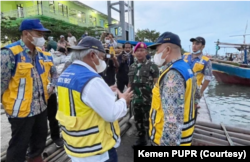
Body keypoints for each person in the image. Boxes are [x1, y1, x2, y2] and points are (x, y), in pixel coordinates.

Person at [56, 36, 133, 162]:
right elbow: (111, 114)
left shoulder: (66, 74)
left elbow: (80, 102)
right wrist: (124, 100)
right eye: (101, 57)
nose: (102, 62)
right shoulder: (91, 80)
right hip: (96, 150)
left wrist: (104, 91)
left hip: (76, 146)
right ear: (92, 55)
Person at [0, 18, 57, 162]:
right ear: (26, 34)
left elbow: (54, 72)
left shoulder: (42, 54)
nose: (42, 38)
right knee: (19, 146)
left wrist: (52, 86)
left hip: (40, 107)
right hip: (20, 111)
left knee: (39, 141)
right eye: (39, 34)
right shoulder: (10, 54)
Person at [148, 31, 198, 146]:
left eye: (157, 50)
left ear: (168, 50)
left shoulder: (172, 75)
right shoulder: (186, 68)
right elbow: (196, 100)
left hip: (165, 141)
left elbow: (172, 123)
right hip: (184, 138)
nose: (156, 54)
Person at [128, 42, 159, 147]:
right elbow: (130, 83)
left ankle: (151, 141)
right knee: (138, 121)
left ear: (146, 52)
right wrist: (128, 97)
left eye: (142, 51)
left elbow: (157, 84)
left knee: (149, 122)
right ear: (134, 52)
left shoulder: (152, 66)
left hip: (149, 100)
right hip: (136, 100)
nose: (139, 53)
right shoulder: (132, 66)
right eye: (137, 51)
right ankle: (141, 140)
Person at [183, 37, 212, 110]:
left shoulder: (206, 61)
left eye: (197, 44)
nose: (194, 46)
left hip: (194, 90)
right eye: (193, 43)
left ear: (203, 46)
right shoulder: (184, 56)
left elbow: (207, 78)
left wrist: (200, 92)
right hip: (181, 87)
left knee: (191, 111)